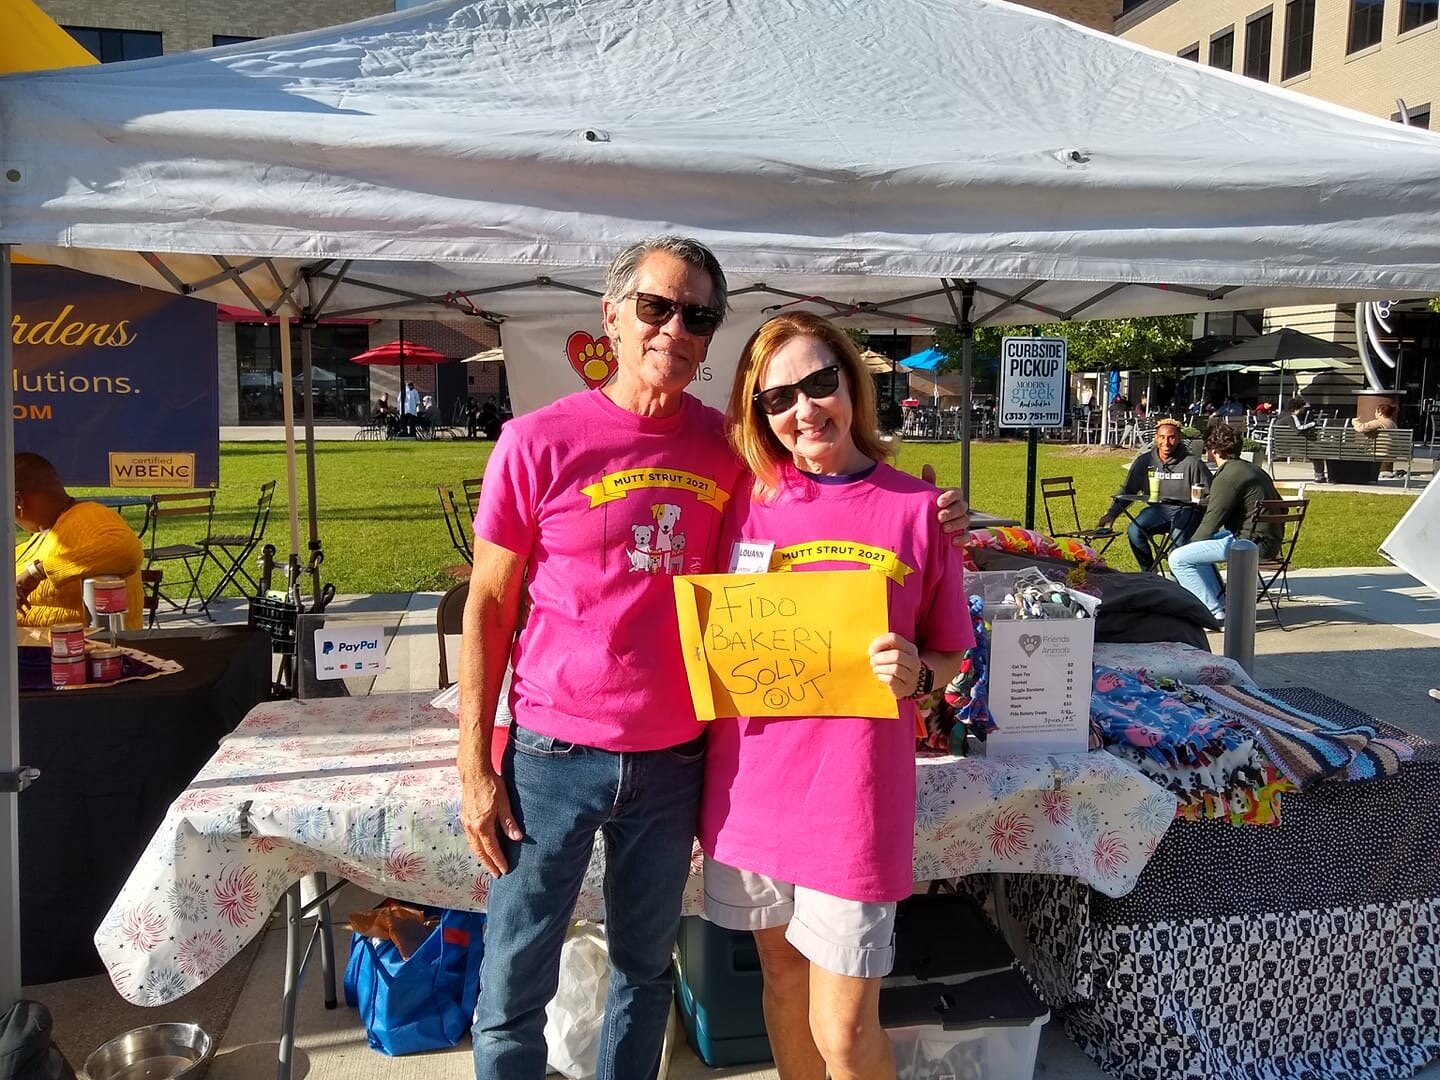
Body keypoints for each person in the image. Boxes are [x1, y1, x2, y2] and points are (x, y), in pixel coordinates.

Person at [457, 235, 972, 1080]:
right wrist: (474, 762)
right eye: (656, 307)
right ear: (613, 317)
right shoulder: (536, 441)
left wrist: (938, 517)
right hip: (553, 754)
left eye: (697, 315)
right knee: (514, 981)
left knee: (645, 976)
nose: (674, 328)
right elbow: (486, 603)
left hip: (675, 760)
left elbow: (844, 495)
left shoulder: (733, 454)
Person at [700, 312, 973, 1080]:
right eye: (779, 397)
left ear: (852, 384)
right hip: (751, 785)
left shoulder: (917, 510)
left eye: (821, 383)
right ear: (760, 413)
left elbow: (950, 658)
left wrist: (917, 676)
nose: (804, 409)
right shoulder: (741, 500)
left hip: (853, 796)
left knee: (846, 1033)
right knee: (783, 982)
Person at [13, 453, 145, 631]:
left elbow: (125, 550)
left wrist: (36, 572)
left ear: (18, 501)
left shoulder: (88, 515)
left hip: (83, 652)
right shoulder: (39, 537)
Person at [1167, 421, 1282, 624]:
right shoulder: (1255, 471)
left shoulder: (1227, 476)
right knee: (1196, 551)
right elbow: (1283, 508)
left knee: (1179, 558)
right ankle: (1221, 603)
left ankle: (1213, 612)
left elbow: (1211, 522)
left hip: (1248, 544)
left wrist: (1192, 543)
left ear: (1212, 450)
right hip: (1270, 540)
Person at [1096, 417, 1211, 572]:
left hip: (1187, 510)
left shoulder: (1192, 463)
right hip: (1158, 510)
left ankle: (1180, 579)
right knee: (1134, 531)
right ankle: (1150, 573)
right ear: (1156, 438)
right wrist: (1112, 513)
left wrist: (1201, 505)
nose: (1166, 442)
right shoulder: (1145, 461)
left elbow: (1210, 494)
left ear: (1179, 439)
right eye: (1162, 437)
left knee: (1178, 536)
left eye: (1171, 437)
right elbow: (1129, 489)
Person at [1353, 401, 1401, 475]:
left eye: (1376, 411)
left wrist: (1355, 422)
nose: (1375, 413)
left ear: (1380, 412)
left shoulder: (1379, 422)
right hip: (1392, 453)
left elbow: (1361, 428)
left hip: (1380, 452)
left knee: (1355, 453)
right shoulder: (1393, 424)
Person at [1288, 397, 1327, 482]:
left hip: (1292, 443)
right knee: (1318, 452)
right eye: (1302, 407)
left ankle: (1320, 475)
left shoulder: (1285, 416)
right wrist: (1312, 424)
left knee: (1317, 451)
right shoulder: (1292, 417)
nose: (1304, 409)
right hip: (1297, 445)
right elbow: (1298, 429)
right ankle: (1319, 476)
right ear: (1298, 407)